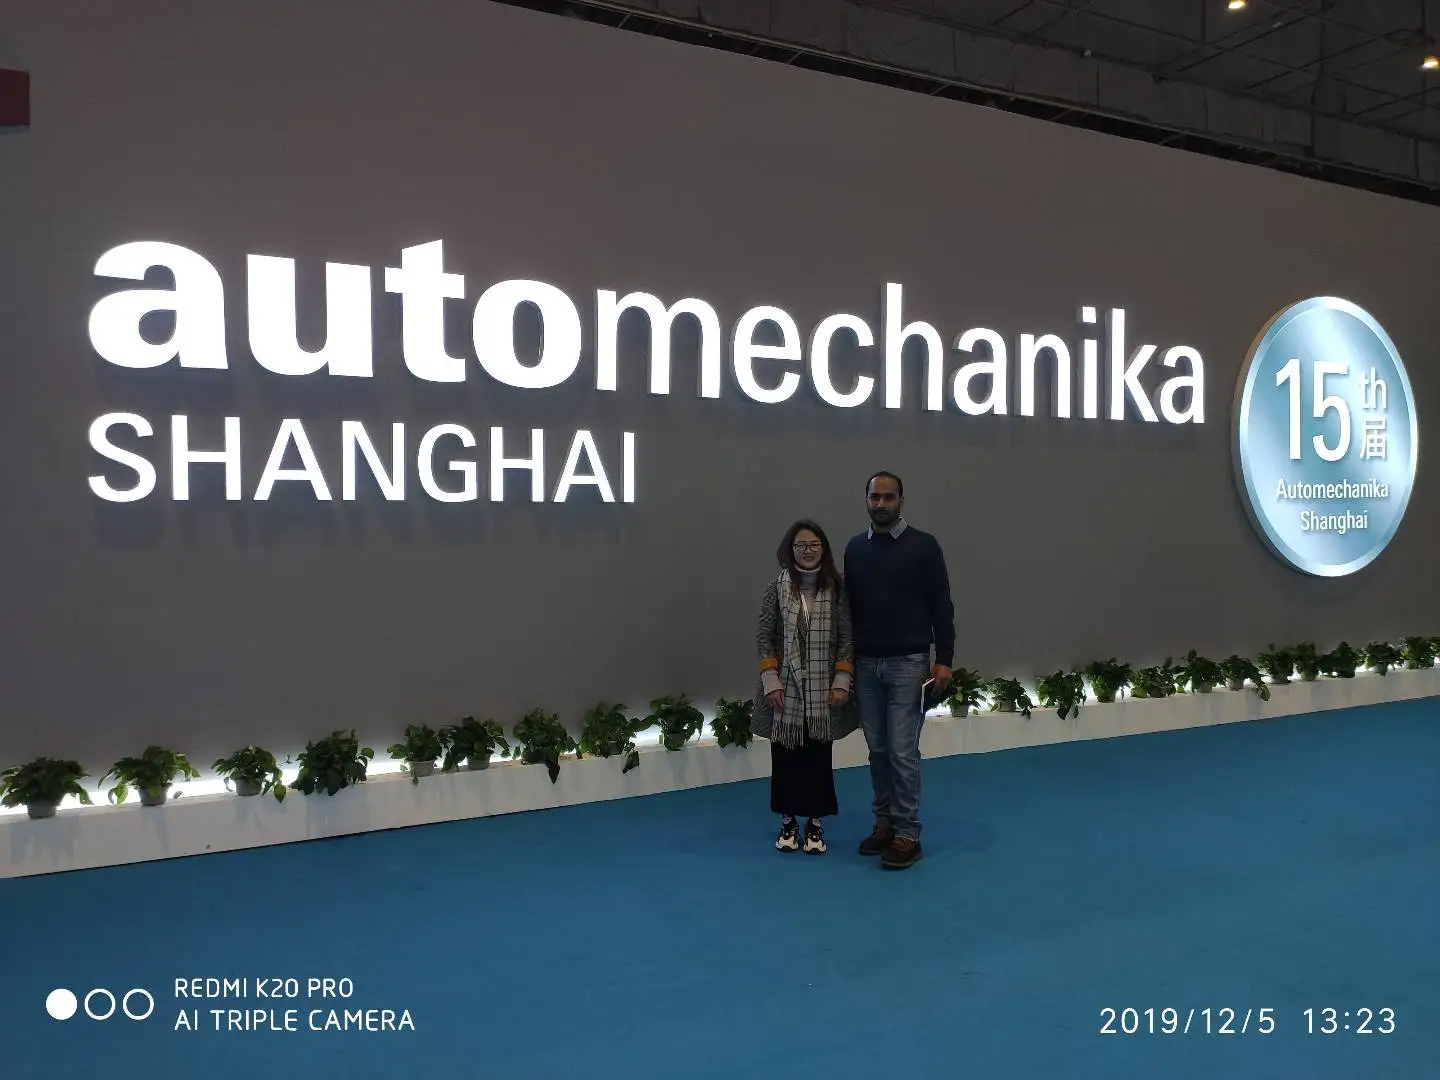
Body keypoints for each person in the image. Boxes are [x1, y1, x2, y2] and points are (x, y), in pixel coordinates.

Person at [843, 471, 954, 870]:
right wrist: (846, 665)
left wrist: (945, 659)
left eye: (889, 497)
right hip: (865, 664)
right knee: (878, 750)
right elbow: (849, 611)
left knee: (902, 751)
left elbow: (941, 604)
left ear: (901, 501)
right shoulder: (855, 549)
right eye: (875, 497)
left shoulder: (924, 546)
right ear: (866, 500)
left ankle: (908, 833)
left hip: (909, 663)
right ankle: (884, 823)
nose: (881, 504)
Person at [752, 519, 857, 855]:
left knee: (817, 762)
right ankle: (788, 822)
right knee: (785, 760)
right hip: (784, 693)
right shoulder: (776, 587)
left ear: (823, 549)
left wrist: (842, 679)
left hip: (823, 694)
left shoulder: (836, 589)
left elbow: (846, 639)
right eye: (801, 545)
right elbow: (764, 638)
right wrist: (771, 682)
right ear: (790, 549)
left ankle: (814, 824)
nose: (808, 551)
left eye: (814, 545)